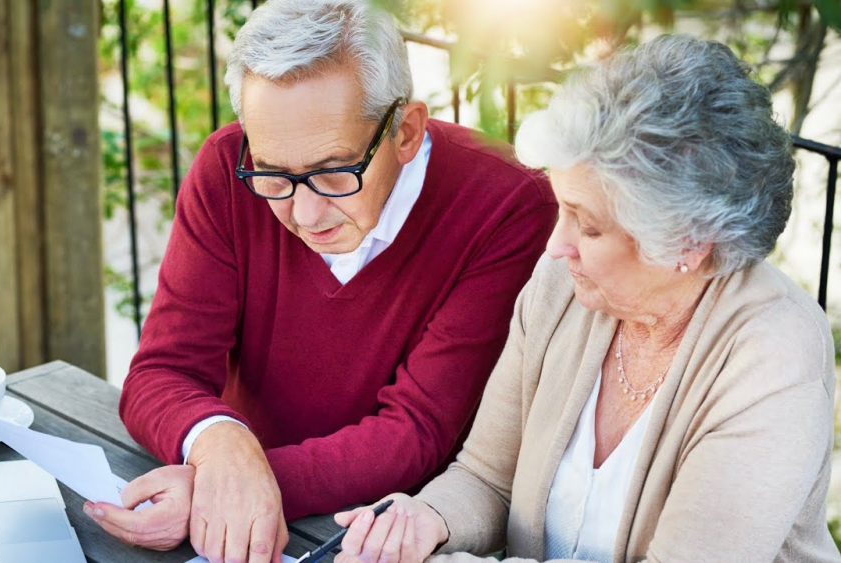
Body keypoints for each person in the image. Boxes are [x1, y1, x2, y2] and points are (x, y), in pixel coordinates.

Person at [333, 34, 840, 563]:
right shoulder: (563, 288)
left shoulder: (774, 354)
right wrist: (426, 521)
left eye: (589, 226)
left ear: (687, 242)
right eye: (562, 208)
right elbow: (486, 477)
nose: (556, 245)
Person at [82, 0, 558, 560]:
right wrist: (220, 445)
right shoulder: (226, 169)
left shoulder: (506, 206)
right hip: (229, 522)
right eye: (274, 174)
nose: (304, 215)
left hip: (383, 534)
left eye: (335, 172)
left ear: (405, 132)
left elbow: (417, 429)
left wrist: (227, 484)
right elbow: (163, 371)